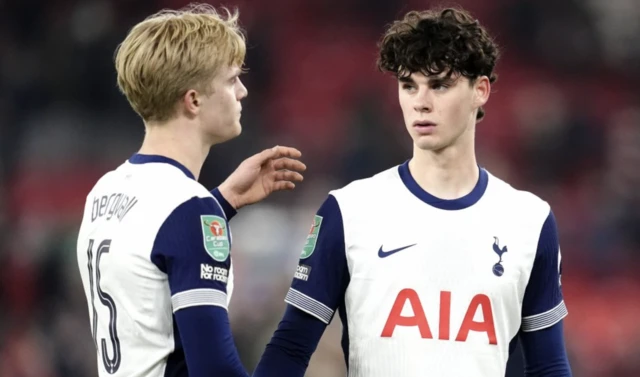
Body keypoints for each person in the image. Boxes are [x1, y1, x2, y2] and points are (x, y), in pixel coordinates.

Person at [253, 7, 571, 377]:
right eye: (408, 85)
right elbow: (291, 347)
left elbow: (548, 365)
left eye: (439, 85)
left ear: (480, 90)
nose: (420, 101)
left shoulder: (529, 222)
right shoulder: (350, 210)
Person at [75, 4, 305, 377]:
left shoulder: (105, 190)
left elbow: (154, 247)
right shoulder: (188, 210)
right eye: (232, 80)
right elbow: (214, 369)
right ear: (194, 100)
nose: (243, 91)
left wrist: (223, 201)